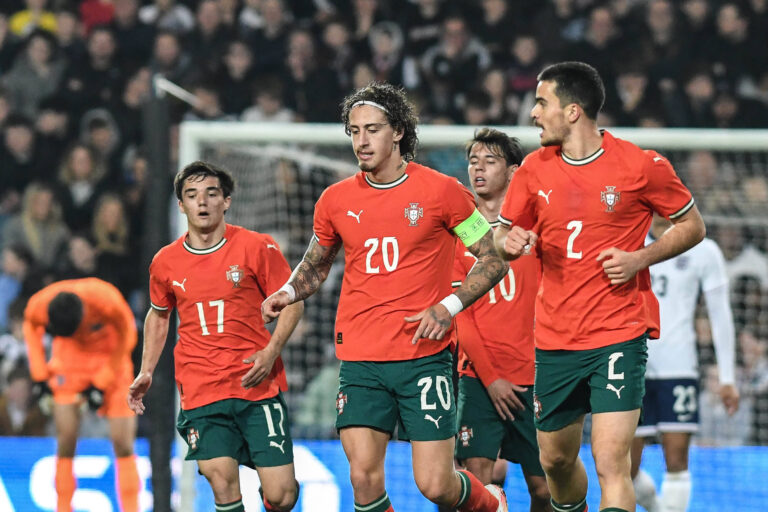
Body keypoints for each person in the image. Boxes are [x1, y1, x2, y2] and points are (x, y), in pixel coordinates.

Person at [262, 81, 509, 512]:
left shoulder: (442, 191)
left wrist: (448, 307)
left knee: (436, 485)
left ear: (397, 131)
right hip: (360, 358)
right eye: (354, 131)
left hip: (424, 356)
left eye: (371, 129)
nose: (361, 141)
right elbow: (316, 264)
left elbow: (492, 259)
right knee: (362, 478)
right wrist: (286, 292)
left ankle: (491, 503)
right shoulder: (335, 200)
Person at [493, 61, 706, 512]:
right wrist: (509, 241)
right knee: (555, 461)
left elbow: (693, 225)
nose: (533, 113)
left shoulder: (641, 165)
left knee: (612, 461)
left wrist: (641, 258)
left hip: (619, 333)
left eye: (541, 103)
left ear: (572, 112)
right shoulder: (532, 170)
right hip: (554, 339)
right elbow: (501, 236)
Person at [127, 161, 303, 512]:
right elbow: (159, 315)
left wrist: (271, 350)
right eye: (192, 195)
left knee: (283, 495)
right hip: (201, 387)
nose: (202, 202)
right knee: (220, 478)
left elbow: (293, 301)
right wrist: (146, 369)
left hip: (256, 383)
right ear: (181, 205)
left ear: (226, 201)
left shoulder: (257, 247)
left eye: (211, 193)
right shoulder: (165, 262)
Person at [453, 128, 551, 512]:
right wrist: (491, 379)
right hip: (478, 377)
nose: (478, 169)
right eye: (473, 162)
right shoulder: (460, 233)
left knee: (545, 489)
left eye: (489, 161)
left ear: (513, 172)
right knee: (476, 483)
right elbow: (460, 314)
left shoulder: (535, 231)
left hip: (535, 377)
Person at [631, 215, 739, 512]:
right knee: (625, 467)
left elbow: (720, 315)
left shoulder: (704, 250)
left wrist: (728, 378)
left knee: (677, 460)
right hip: (633, 364)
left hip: (679, 366)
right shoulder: (629, 240)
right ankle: (656, 506)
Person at [23, 277, 140, 512]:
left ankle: (131, 508)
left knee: (123, 443)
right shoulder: (40, 304)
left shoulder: (105, 298)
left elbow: (128, 334)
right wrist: (39, 376)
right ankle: (63, 507)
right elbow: (29, 326)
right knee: (65, 440)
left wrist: (102, 381)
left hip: (112, 359)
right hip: (69, 362)